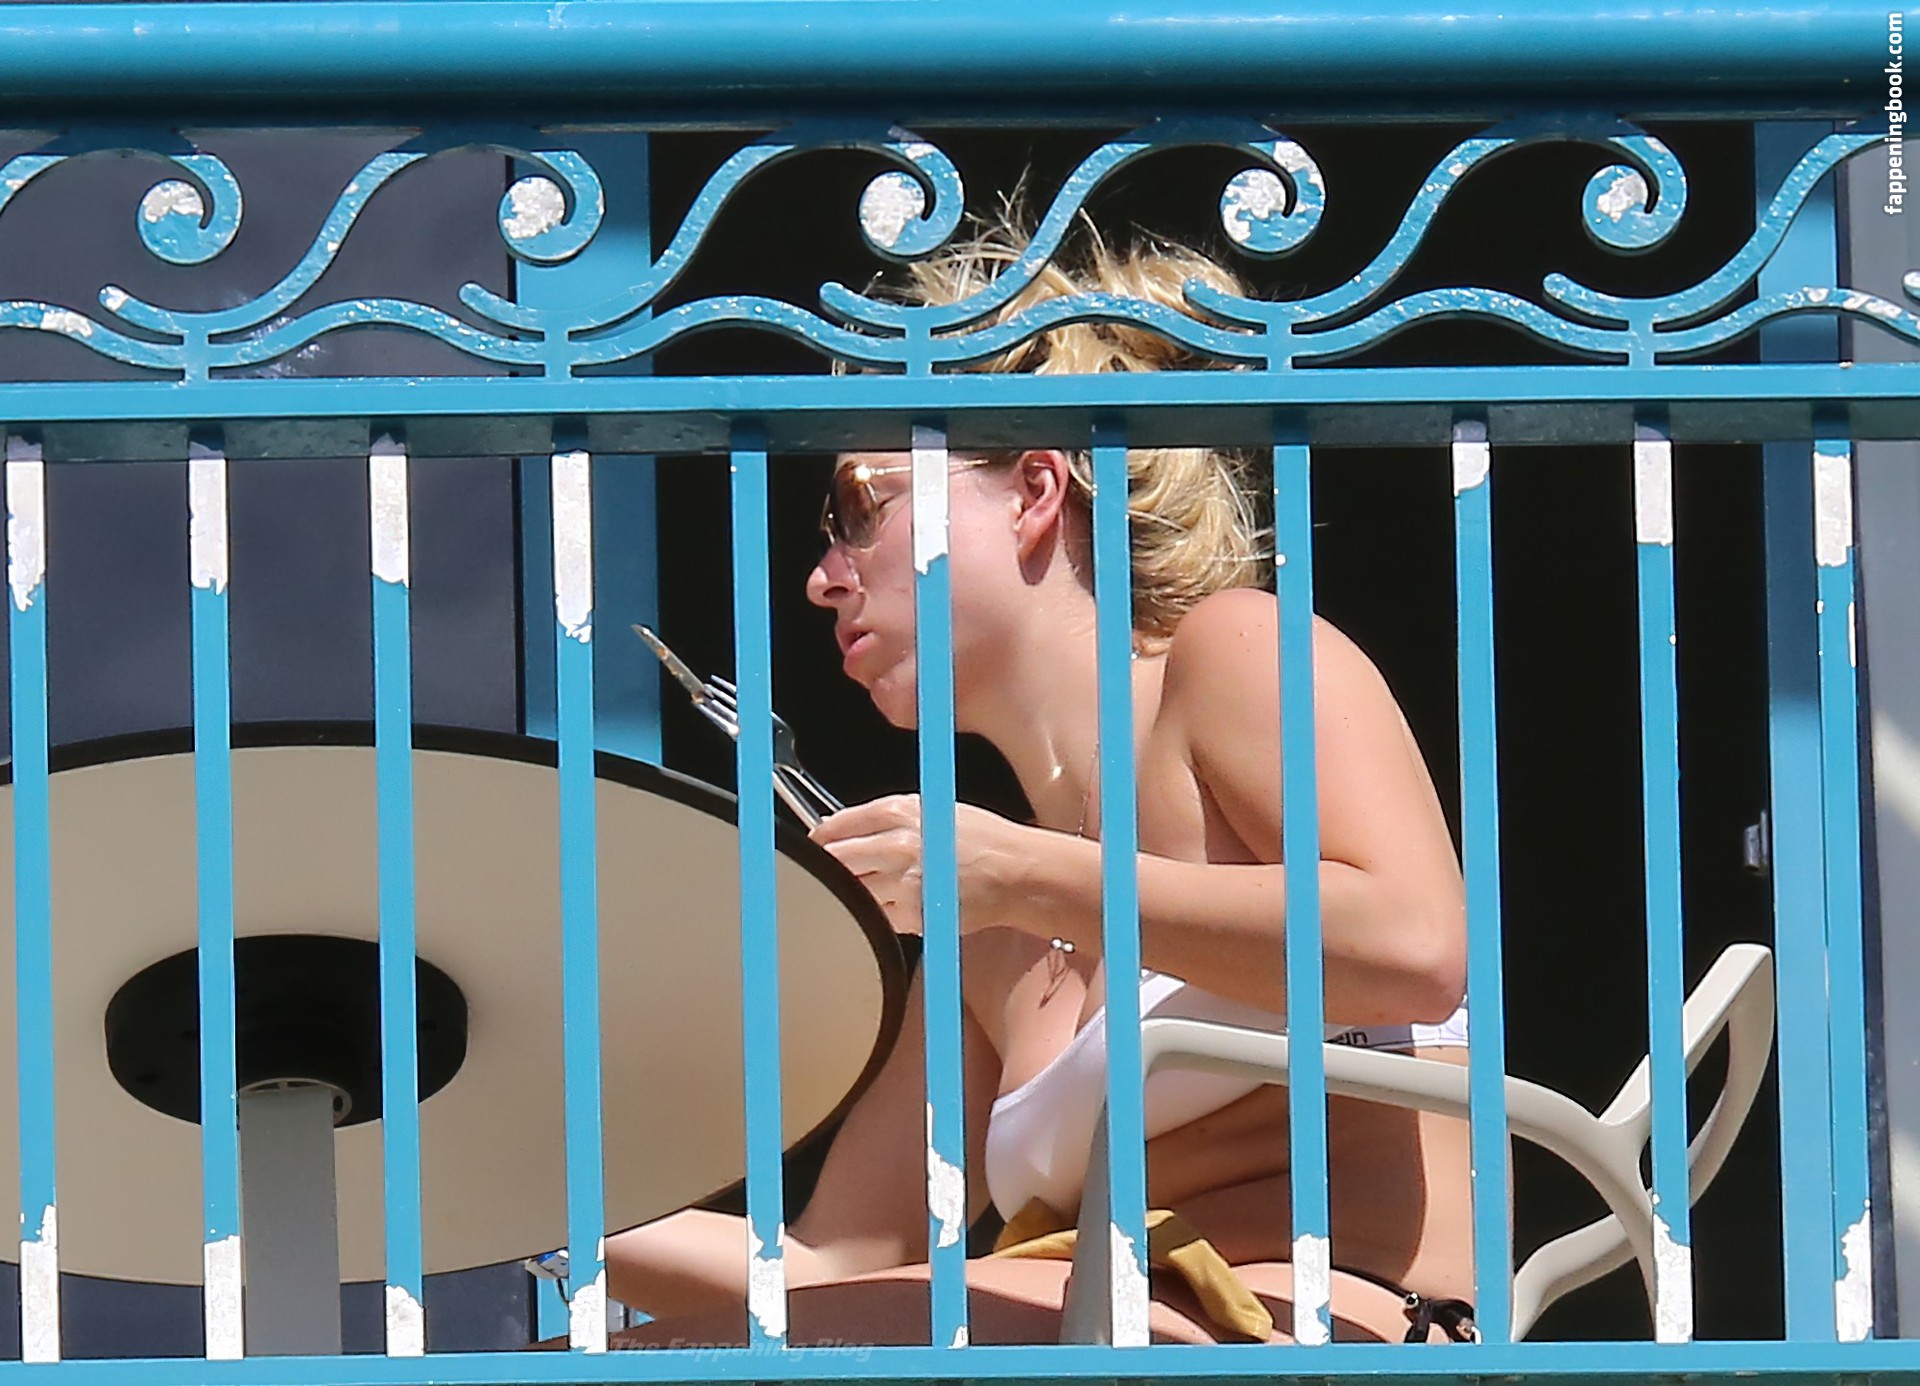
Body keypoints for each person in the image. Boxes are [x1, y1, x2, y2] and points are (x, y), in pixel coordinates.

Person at [601, 219, 1472, 1346]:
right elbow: (830, 1266)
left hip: (1321, 1332)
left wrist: (1023, 873)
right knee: (565, 1368)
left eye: (859, 510)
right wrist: (503, 1197)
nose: (822, 578)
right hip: (1087, 1338)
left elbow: (1414, 947)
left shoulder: (1234, 655)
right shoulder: (986, 935)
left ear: (1033, 491)